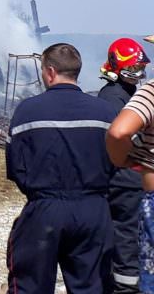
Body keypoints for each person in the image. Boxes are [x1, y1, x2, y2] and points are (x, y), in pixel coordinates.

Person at [6, 43, 116, 293]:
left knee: (30, 285)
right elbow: (117, 162)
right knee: (93, 287)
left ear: (50, 71)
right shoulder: (106, 112)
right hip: (94, 210)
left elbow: (15, 167)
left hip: (44, 209)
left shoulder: (27, 111)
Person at [99, 38, 150, 293]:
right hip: (126, 180)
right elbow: (117, 136)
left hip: (135, 179)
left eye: (141, 69)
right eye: (133, 69)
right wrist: (129, 161)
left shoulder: (130, 93)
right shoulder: (112, 97)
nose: (138, 74)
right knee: (127, 239)